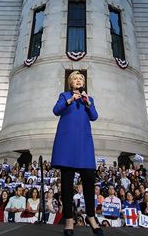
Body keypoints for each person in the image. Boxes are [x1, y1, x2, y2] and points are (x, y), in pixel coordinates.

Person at [51, 71, 102, 236]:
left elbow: (94, 116)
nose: (79, 80)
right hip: (67, 142)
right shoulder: (64, 95)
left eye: (81, 79)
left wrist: (88, 104)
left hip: (83, 143)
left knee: (88, 177)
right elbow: (56, 110)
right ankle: (68, 219)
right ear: (70, 82)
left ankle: (91, 216)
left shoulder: (89, 98)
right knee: (66, 182)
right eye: (76, 79)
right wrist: (70, 100)